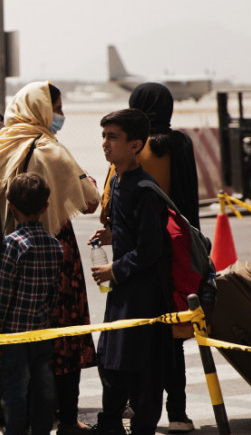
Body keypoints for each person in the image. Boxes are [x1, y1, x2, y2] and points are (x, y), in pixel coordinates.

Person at [0, 82, 100, 435]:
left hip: (8, 250)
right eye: (56, 108)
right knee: (64, 336)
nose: (60, 116)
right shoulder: (51, 150)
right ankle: (66, 416)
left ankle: (18, 423)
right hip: (55, 250)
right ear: (42, 110)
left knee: (17, 352)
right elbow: (90, 200)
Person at [100, 82, 199, 434]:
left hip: (142, 257)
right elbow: (189, 200)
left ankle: (128, 412)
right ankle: (178, 412)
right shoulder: (179, 144)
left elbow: (110, 207)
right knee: (171, 337)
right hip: (176, 249)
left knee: (134, 342)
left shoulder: (134, 165)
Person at [89, 108, 172, 435]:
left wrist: (114, 269)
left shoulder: (144, 188)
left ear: (135, 145)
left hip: (143, 294)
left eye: (113, 137)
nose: (105, 144)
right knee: (111, 361)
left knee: (140, 369)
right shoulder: (119, 181)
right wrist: (114, 236)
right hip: (123, 291)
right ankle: (110, 424)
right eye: (103, 137)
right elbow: (136, 233)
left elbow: (151, 249)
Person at [0, 173, 63, 435]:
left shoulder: (12, 244)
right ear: (45, 207)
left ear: (11, 206)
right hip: (42, 332)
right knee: (43, 388)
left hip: (14, 335)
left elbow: (3, 293)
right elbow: (54, 292)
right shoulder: (55, 245)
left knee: (15, 390)